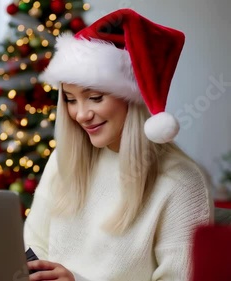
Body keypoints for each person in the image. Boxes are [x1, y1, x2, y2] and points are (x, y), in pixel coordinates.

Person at [24, 9, 214, 281]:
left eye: (95, 97)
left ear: (131, 98)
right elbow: (34, 242)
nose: (80, 114)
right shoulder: (64, 158)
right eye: (70, 99)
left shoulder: (180, 182)